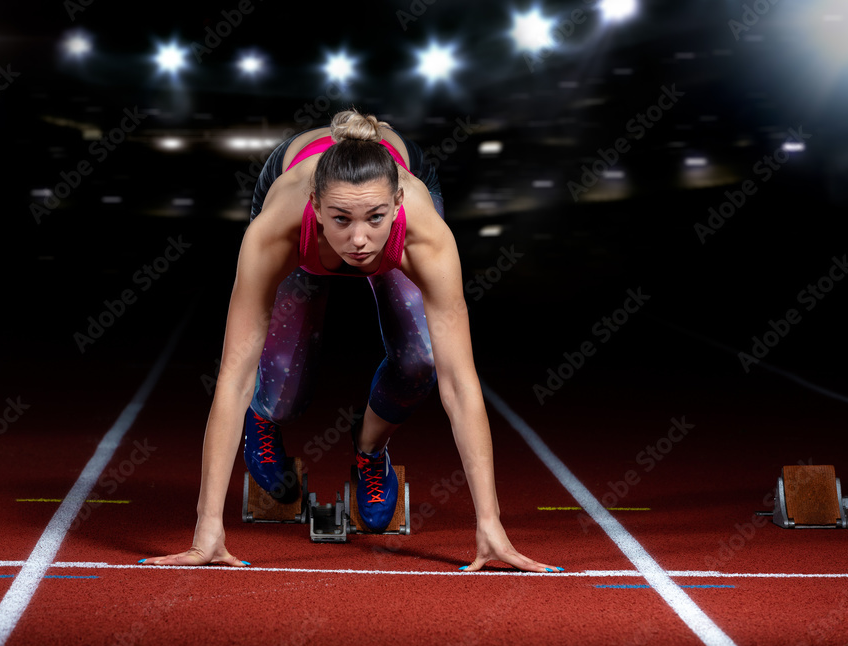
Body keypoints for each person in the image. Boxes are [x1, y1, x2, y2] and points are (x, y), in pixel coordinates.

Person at [141, 109, 563, 573]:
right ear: (316, 206)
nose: (359, 241)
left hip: (391, 194)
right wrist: (207, 531)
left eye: (375, 218)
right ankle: (266, 420)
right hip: (297, 201)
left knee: (420, 361)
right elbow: (233, 376)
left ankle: (371, 452)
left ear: (398, 203)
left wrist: (490, 525)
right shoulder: (276, 229)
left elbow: (460, 384)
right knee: (282, 389)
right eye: (341, 219)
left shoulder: (424, 235)